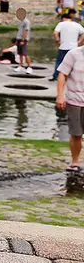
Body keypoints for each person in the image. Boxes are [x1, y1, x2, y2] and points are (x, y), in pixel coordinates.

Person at [55, 43, 84, 172]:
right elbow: (62, 74)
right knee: (76, 133)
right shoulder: (74, 54)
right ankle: (75, 162)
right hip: (75, 100)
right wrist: (60, 96)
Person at [52, 10, 84, 81]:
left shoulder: (61, 24)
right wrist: (79, 41)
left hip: (63, 47)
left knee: (59, 62)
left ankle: (56, 76)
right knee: (73, 63)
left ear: (63, 18)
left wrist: (57, 40)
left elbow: (55, 33)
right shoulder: (76, 25)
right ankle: (71, 77)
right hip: (74, 48)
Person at [14, 7, 33, 73]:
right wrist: (17, 39)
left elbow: (26, 31)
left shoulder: (26, 22)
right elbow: (19, 31)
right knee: (20, 54)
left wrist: (23, 40)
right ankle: (21, 66)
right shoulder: (20, 21)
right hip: (19, 38)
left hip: (23, 39)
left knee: (25, 54)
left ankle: (29, 67)